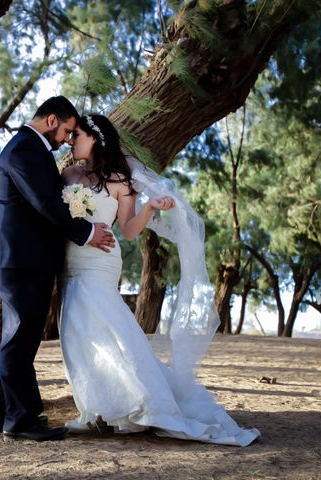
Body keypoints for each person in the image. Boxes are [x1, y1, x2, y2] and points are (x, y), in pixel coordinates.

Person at [59, 114, 260, 446]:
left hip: (101, 261)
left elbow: (127, 230)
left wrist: (149, 207)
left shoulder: (121, 180)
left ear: (94, 137)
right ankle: (95, 409)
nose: (70, 140)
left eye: (76, 134)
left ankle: (131, 405)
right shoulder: (68, 174)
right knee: (75, 333)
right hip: (70, 260)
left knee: (105, 330)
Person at [0, 97, 115, 442]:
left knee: (21, 337)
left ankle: (7, 413)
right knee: (18, 338)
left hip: (29, 259)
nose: (67, 139)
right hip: (20, 258)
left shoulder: (31, 149)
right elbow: (45, 202)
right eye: (67, 130)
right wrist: (87, 233)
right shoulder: (24, 149)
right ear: (52, 120)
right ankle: (20, 418)